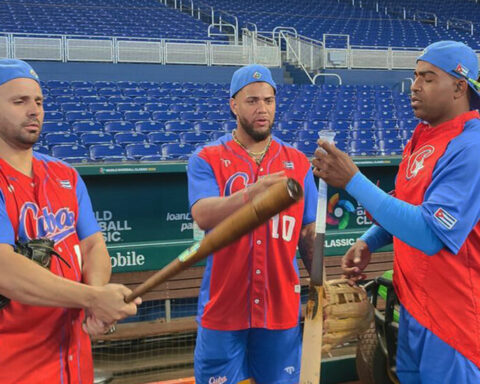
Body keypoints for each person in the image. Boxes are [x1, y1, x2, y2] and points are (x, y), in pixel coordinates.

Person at [312, 40, 480, 383]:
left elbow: (431, 234)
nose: (414, 86)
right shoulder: (423, 137)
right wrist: (370, 240)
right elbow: (408, 204)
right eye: (415, 76)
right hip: (414, 309)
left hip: (454, 323)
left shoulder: (471, 147)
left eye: (428, 78)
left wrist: (353, 180)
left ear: (459, 87)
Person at [0, 58, 141, 384]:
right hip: (13, 364)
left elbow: (93, 244)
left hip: (73, 358)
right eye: (19, 101)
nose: (34, 110)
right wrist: (93, 298)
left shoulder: (66, 175)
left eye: (38, 101)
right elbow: (4, 269)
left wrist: (95, 300)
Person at [187, 64, 317, 383]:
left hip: (280, 307)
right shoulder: (207, 158)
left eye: (269, 100)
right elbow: (203, 214)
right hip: (223, 306)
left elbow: (308, 233)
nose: (262, 109)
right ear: (233, 104)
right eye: (252, 100)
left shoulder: (298, 163)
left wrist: (320, 286)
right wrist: (252, 194)